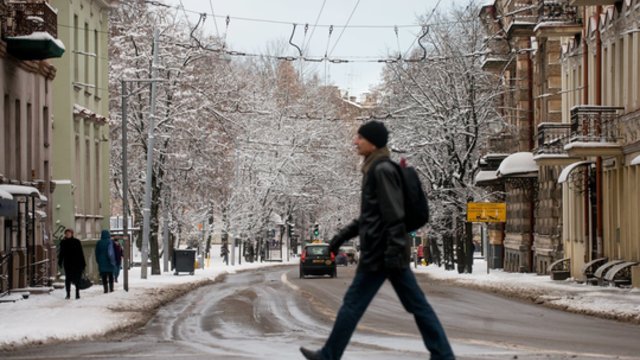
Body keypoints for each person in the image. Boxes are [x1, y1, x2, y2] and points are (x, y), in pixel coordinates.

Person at [300, 121, 455, 360]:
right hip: (386, 251)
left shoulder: (381, 170)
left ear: (372, 142)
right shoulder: (375, 168)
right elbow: (370, 216)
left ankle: (330, 355)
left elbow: (393, 214)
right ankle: (443, 354)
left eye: (359, 138)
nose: (355, 141)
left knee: (354, 304)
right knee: (416, 305)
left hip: (381, 253)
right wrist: (340, 238)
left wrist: (393, 250)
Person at [57, 229, 86, 299]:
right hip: (68, 264)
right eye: (66, 233)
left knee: (77, 279)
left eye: (69, 233)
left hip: (77, 263)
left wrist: (83, 263)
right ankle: (68, 294)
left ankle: (77, 293)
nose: (67, 234)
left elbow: (80, 253)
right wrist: (60, 261)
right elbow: (61, 253)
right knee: (68, 279)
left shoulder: (77, 242)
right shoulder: (63, 243)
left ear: (72, 234)